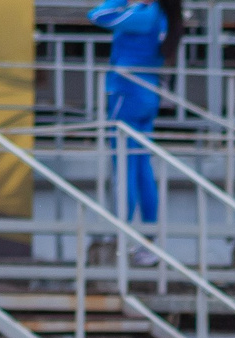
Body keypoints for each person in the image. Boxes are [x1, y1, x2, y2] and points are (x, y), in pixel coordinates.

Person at [90, 0, 170, 224]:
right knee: (142, 165)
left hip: (127, 92)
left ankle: (122, 230)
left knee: (124, 166)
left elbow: (98, 15)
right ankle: (148, 235)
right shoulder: (161, 15)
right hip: (147, 92)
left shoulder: (146, 15)